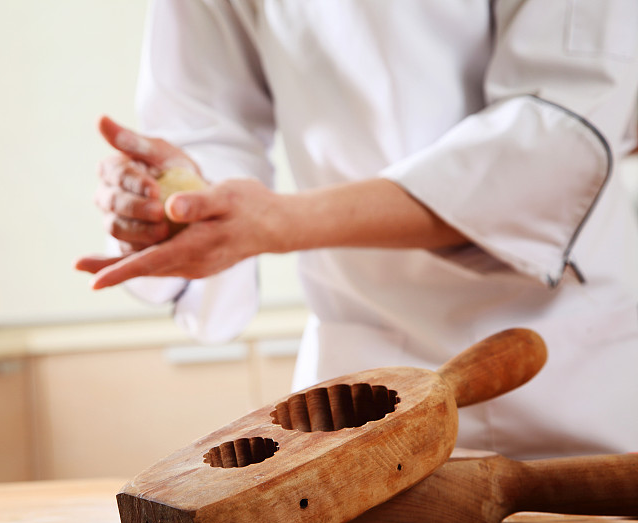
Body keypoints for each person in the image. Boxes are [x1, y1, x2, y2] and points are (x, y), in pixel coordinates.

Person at [77, 0, 638, 459]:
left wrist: (282, 222)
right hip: (359, 370)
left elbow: (551, 140)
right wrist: (174, 204)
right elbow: (205, 124)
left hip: (567, 372)